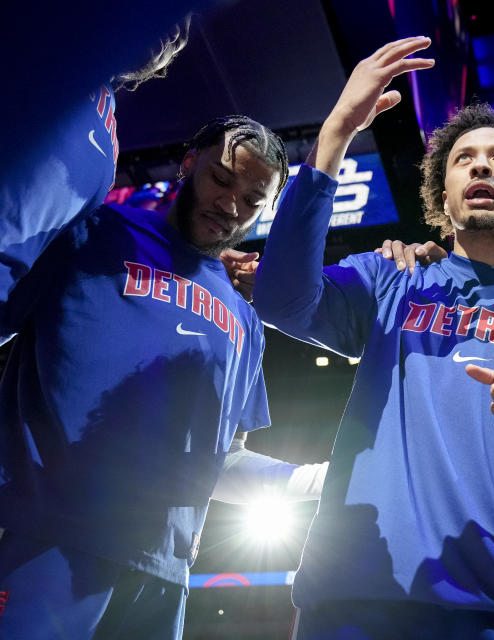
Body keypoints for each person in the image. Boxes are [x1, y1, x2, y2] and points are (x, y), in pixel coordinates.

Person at [252, 37, 494, 639]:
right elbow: (279, 300)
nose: (481, 165)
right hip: (356, 603)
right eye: (464, 159)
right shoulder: (392, 278)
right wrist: (337, 133)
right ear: (442, 198)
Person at [0, 114, 327, 639]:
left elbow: (221, 462)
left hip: (165, 574)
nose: (230, 205)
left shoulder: (245, 318)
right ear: (189, 163)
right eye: (222, 179)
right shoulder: (91, 233)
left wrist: (323, 479)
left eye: (252, 198)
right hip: (45, 542)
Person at [0, 16, 194, 327]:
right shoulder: (54, 33)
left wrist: (190, 255)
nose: (173, 31)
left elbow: (57, 252)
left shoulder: (110, 152)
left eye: (179, 39)